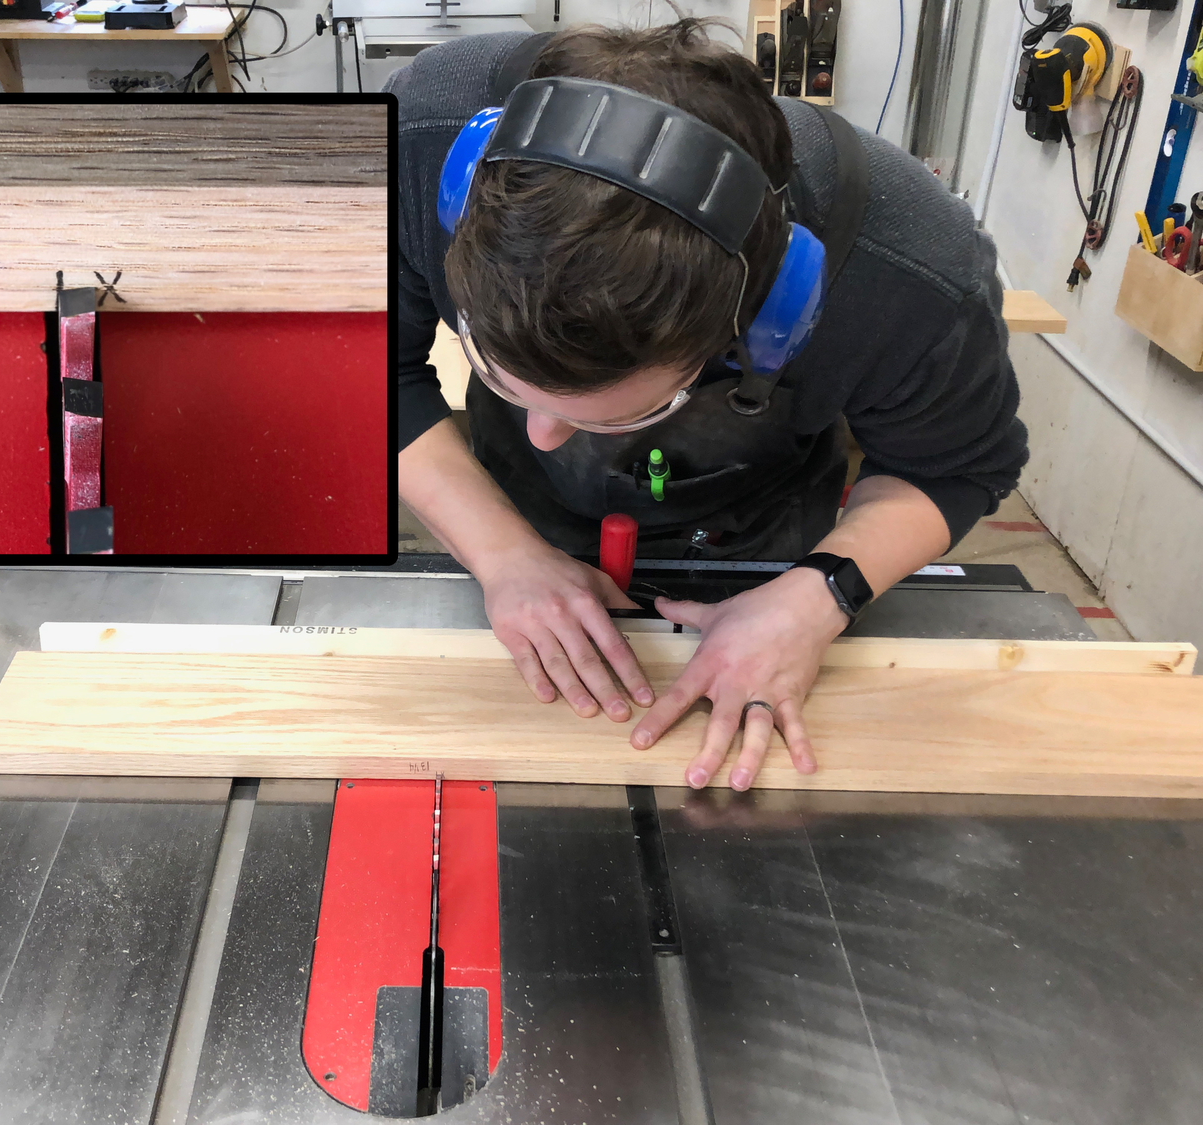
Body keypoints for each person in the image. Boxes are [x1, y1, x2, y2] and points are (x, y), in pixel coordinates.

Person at [392, 19, 1028, 790]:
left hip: (762, 537)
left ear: (768, 322)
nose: (546, 434)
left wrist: (817, 596)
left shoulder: (907, 270)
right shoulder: (414, 141)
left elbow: (958, 466)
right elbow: (365, 373)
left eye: (614, 412)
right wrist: (501, 552)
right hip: (512, 508)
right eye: (499, 377)